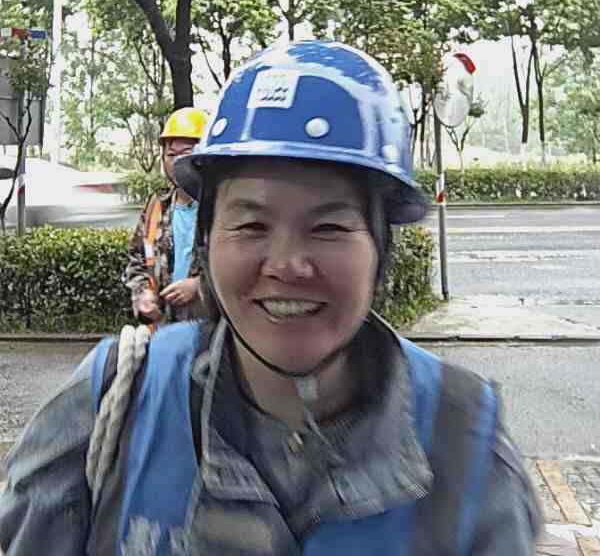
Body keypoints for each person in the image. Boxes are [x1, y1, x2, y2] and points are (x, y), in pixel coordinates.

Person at [0, 41, 541, 555]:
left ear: (381, 248)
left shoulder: (466, 442)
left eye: (329, 227)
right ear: (208, 240)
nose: (286, 265)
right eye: (251, 225)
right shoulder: (113, 402)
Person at [123, 106, 208, 326]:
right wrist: (143, 294)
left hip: (210, 331)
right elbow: (137, 259)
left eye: (186, 153)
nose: (177, 161)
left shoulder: (220, 207)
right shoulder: (157, 206)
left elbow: (241, 271)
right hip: (164, 329)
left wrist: (199, 286)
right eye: (171, 155)